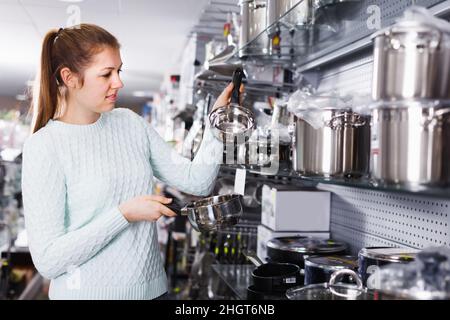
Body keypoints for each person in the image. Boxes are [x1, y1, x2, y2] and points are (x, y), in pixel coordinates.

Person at [21, 24, 240, 300]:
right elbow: (49, 260)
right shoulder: (45, 146)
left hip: (155, 292)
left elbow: (197, 180)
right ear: (70, 78)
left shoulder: (131, 124)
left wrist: (217, 122)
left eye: (118, 71)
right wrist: (124, 215)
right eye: (106, 74)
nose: (118, 83)